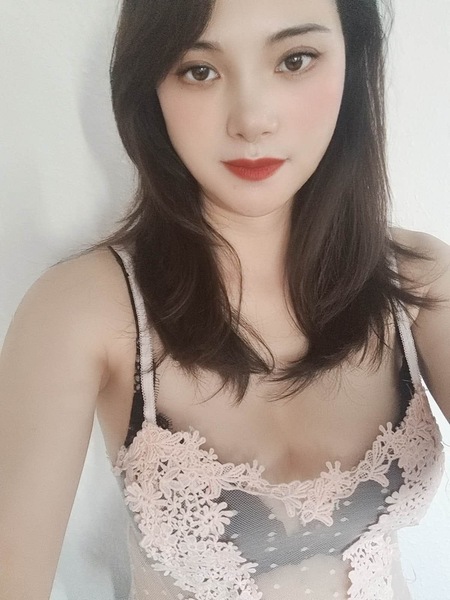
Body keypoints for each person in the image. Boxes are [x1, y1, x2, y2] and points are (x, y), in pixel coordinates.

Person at [0, 0, 449, 598]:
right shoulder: (83, 312)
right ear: (149, 87)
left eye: (295, 60)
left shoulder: (420, 283)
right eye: (200, 70)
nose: (251, 120)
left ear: (353, 59)